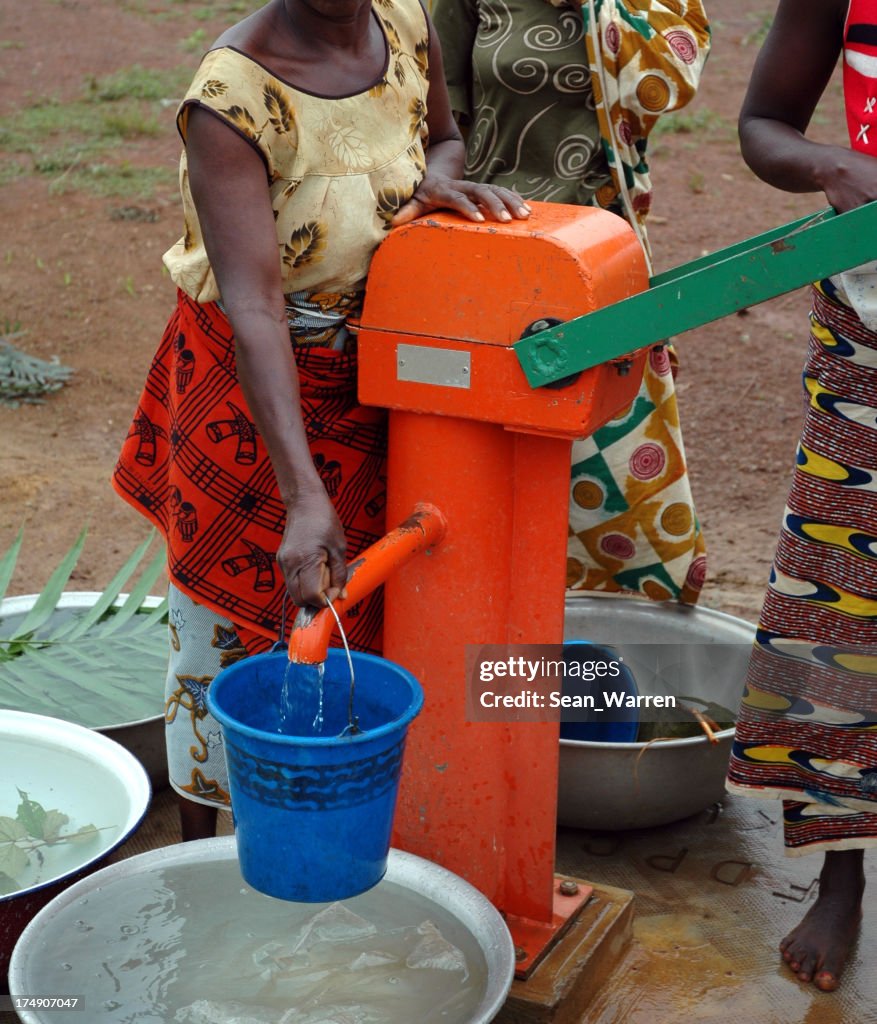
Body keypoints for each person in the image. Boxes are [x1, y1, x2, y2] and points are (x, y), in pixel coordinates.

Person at [112, 0, 529, 842]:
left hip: (376, 373)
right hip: (251, 390)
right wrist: (302, 493)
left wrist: (437, 182)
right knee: (225, 635)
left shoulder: (403, 20)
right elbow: (254, 306)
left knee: (360, 602)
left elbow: (440, 135)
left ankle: (333, 812)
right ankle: (209, 852)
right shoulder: (231, 96)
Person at [432, 0, 711, 603]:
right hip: (482, 252)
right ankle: (477, 637)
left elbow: (669, 87)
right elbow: (439, 108)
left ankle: (596, 645)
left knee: (608, 475)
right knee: (474, 471)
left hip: (596, 263)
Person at [725, 0, 877, 992]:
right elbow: (761, 124)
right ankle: (844, 870)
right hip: (868, 327)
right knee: (841, 609)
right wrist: (832, 166)